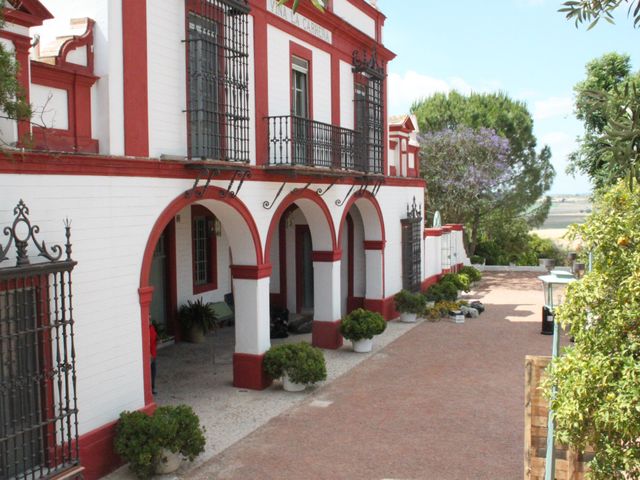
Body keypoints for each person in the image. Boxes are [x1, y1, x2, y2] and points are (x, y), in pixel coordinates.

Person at [149, 319, 158, 395]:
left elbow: (154, 337)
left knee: (153, 372)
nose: (150, 320)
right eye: (148, 318)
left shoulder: (152, 327)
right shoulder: (144, 329)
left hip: (153, 353)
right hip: (149, 355)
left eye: (150, 318)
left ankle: (153, 387)